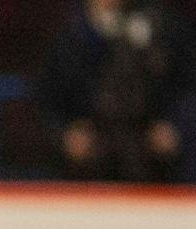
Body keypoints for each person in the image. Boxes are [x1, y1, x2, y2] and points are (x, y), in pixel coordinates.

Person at [39, 0, 195, 183]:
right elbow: (47, 100)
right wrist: (65, 135)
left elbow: (189, 86)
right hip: (89, 162)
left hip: (154, 159)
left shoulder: (164, 26)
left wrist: (177, 127)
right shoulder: (68, 35)